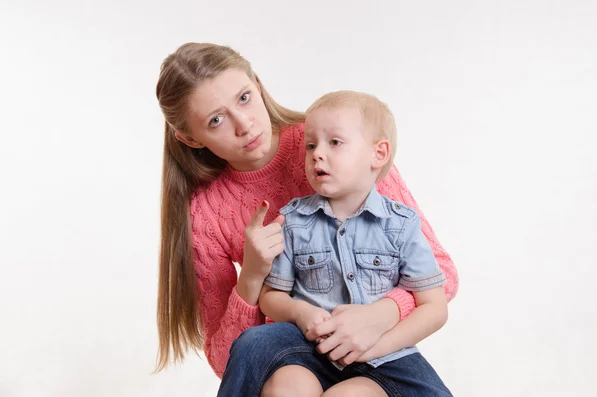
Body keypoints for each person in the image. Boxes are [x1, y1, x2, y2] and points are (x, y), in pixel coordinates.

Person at [154, 42, 459, 396]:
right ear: (191, 138)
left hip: (378, 350)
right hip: (293, 346)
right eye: (216, 120)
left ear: (258, 83)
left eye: (244, 97)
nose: (245, 124)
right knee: (286, 383)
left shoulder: (334, 138)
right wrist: (251, 277)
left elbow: (441, 274)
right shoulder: (205, 212)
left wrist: (383, 314)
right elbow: (231, 361)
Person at [256, 90, 452, 396]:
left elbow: (434, 307)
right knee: (284, 388)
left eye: (334, 142)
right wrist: (299, 312)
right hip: (310, 354)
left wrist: (377, 347)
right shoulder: (293, 221)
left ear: (378, 154)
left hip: (385, 358)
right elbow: (270, 297)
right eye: (311, 145)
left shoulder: (400, 224)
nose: (317, 154)